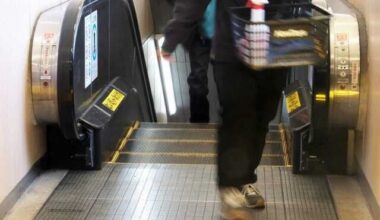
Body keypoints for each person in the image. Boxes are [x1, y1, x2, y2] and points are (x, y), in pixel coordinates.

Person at [161, 0, 288, 218]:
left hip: (275, 49)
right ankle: (230, 186)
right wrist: (172, 36)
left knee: (262, 118)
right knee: (237, 115)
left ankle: (245, 179)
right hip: (232, 52)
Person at [161, 0, 215, 123]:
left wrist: (168, 45)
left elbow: (186, 11)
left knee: (203, 81)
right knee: (199, 81)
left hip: (221, 35)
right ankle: (200, 125)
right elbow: (187, 10)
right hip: (201, 36)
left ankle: (200, 127)